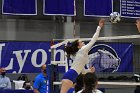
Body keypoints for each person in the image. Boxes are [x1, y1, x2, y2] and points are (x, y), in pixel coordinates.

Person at [60, 19, 105, 93]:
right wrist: (99, 27)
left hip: (71, 76)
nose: (83, 42)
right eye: (81, 42)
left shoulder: (80, 54)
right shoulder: (82, 50)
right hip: (70, 76)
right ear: (78, 46)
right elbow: (93, 40)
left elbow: (83, 71)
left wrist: (90, 70)